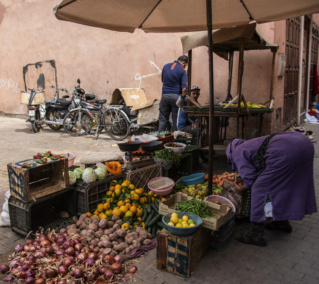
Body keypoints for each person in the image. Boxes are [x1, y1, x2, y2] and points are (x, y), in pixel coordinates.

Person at [225, 131, 317, 247]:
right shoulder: (251, 144)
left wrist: (243, 187)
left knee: (259, 188)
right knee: (283, 186)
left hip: (287, 151)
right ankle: (281, 222)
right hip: (304, 144)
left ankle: (256, 233)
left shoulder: (237, 152)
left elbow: (251, 179)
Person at [159, 55, 188, 132]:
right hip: (175, 97)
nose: (185, 67)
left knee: (163, 119)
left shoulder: (165, 66)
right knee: (176, 120)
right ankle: (175, 140)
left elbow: (162, 80)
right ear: (183, 63)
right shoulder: (182, 70)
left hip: (164, 96)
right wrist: (182, 98)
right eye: (185, 65)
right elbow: (184, 87)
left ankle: (159, 140)